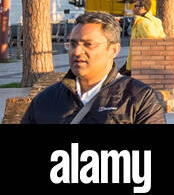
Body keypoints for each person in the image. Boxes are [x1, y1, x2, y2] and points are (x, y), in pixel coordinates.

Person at [21, 11, 165, 124]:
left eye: (88, 44)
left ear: (113, 50)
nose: (77, 52)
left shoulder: (140, 98)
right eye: (72, 44)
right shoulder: (45, 100)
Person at [123, 0, 164, 75]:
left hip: (138, 61)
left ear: (142, 8)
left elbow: (150, 40)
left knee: (118, 81)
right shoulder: (155, 20)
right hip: (144, 61)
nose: (133, 8)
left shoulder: (142, 22)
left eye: (135, 6)